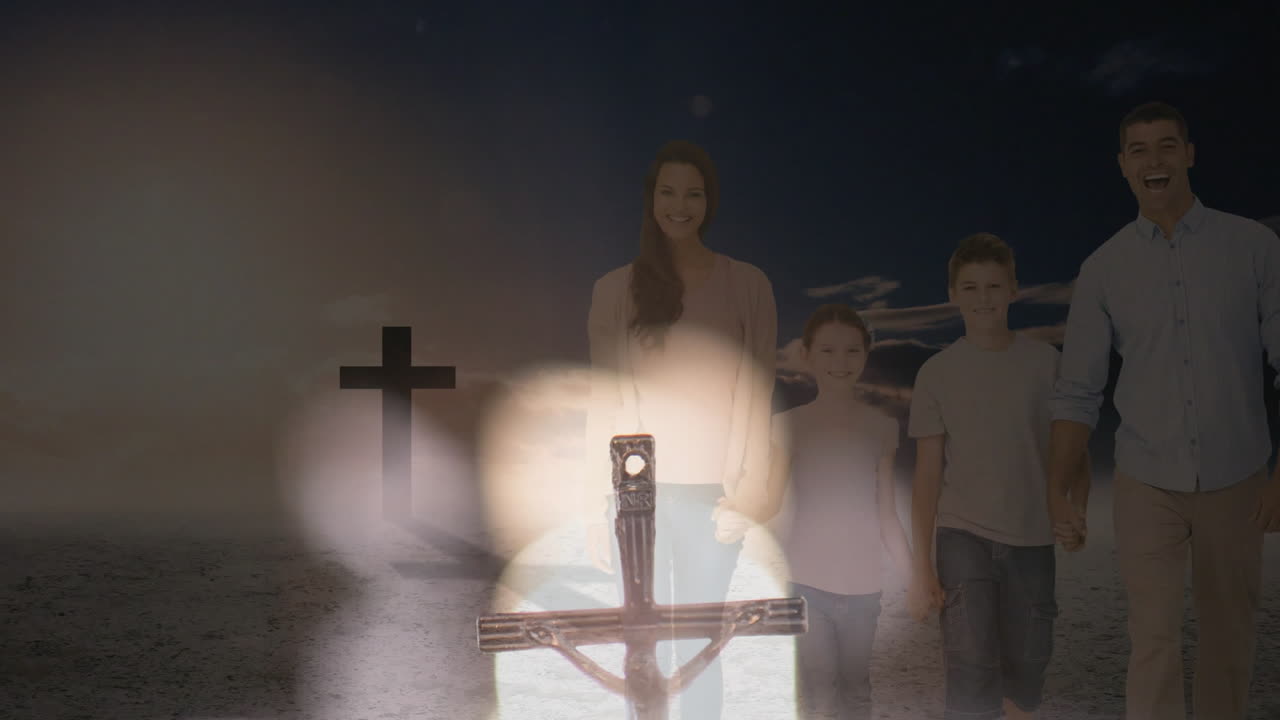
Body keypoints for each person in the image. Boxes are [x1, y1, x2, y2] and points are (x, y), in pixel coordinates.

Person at [1047, 101, 1280, 720]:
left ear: (1189, 154)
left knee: (1230, 635)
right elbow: (1078, 390)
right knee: (1153, 640)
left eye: (1167, 145)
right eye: (1140, 150)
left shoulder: (1254, 247)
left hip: (1237, 476)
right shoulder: (1103, 269)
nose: (1155, 160)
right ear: (1123, 165)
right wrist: (1058, 489)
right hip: (1145, 479)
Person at [581, 139, 778, 719]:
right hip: (635, 496)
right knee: (642, 651)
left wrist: (750, 496)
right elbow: (603, 399)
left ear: (709, 202)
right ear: (651, 199)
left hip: (713, 499)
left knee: (700, 648)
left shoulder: (748, 284)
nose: (680, 205)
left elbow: (758, 394)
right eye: (668, 192)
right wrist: (595, 505)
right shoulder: (614, 290)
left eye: (693, 194)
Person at [906, 232, 1085, 720]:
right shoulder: (937, 372)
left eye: (993, 286)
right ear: (953, 294)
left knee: (1028, 669)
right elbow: (927, 476)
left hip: (1032, 538)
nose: (982, 298)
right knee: (969, 665)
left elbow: (1072, 450)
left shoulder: (1046, 364)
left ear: (1013, 289)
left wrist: (1076, 507)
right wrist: (921, 567)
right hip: (962, 536)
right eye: (970, 287)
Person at [766, 303, 912, 720]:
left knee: (856, 689)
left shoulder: (881, 427)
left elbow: (887, 515)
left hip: (864, 587)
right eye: (827, 351)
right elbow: (773, 504)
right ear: (807, 355)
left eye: (851, 351)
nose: (840, 361)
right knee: (819, 694)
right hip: (806, 585)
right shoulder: (789, 424)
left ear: (865, 354)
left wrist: (916, 576)